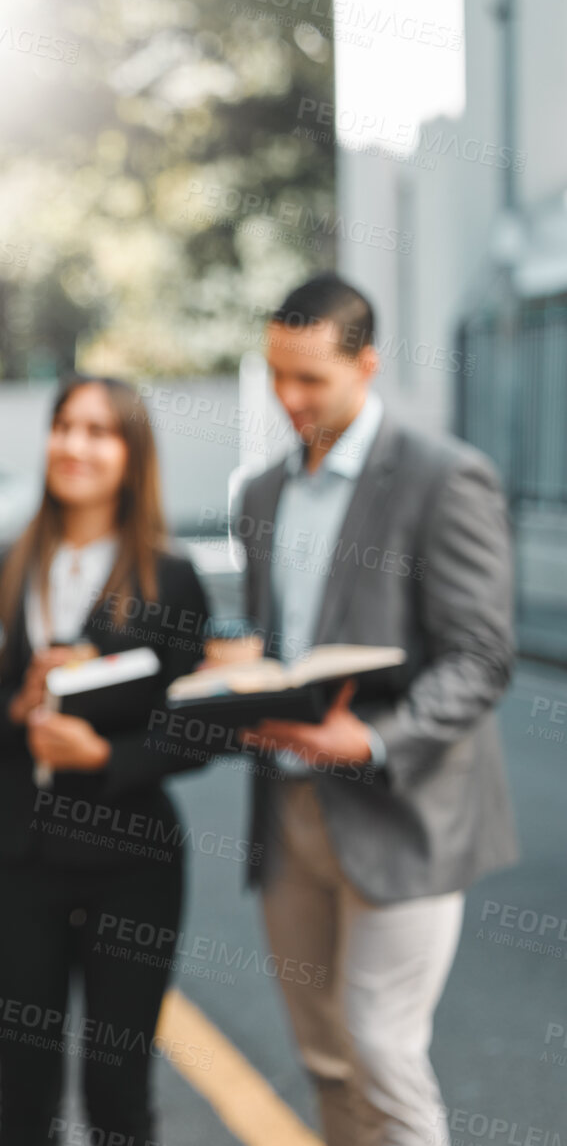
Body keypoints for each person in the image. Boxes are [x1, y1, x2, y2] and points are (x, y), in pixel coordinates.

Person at [233, 273, 517, 1146]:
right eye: (275, 373)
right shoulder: (261, 495)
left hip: (401, 809)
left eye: (309, 378)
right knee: (322, 1054)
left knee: (383, 1052)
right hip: (288, 808)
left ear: (367, 364)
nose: (287, 398)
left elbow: (480, 657)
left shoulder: (444, 477)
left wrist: (373, 736)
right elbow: (275, 641)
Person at [0, 375, 215, 1146]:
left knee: (118, 1089)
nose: (74, 446)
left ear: (131, 454)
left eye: (98, 431)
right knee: (23, 1094)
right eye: (64, 426)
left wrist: (105, 752)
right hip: (9, 853)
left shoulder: (170, 577)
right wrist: (13, 710)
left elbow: (195, 729)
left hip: (130, 859)